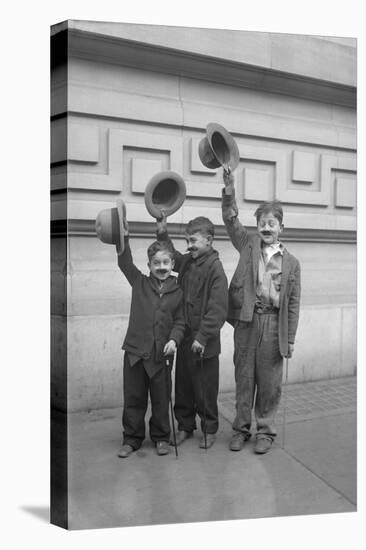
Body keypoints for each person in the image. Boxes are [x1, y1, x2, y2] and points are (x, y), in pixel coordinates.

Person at [221, 171, 301, 454]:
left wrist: (289, 338)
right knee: (244, 378)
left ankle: (265, 431)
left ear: (281, 227)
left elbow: (293, 303)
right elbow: (231, 220)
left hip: (273, 325)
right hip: (246, 321)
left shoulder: (292, 263)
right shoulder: (248, 245)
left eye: (272, 223)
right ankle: (241, 428)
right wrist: (229, 189)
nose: (266, 227)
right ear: (256, 226)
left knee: (269, 382)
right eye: (262, 223)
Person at [116, 208, 185, 458]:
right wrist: (123, 237)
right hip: (135, 353)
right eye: (156, 263)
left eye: (166, 262)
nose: (161, 267)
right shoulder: (139, 282)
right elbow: (124, 262)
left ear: (173, 264)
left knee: (160, 399)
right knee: (134, 398)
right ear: (149, 265)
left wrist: (174, 341)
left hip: (161, 356)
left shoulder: (178, 291)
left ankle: (161, 437)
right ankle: (132, 438)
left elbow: (180, 322)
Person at [157, 215, 228, 449]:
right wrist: (162, 233)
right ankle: (185, 426)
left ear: (209, 240)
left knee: (205, 389)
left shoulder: (216, 269)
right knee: (184, 386)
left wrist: (202, 337)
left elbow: (217, 310)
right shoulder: (187, 261)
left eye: (193, 240)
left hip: (204, 344)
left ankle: (209, 429)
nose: (189, 246)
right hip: (185, 339)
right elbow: (173, 257)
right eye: (187, 240)